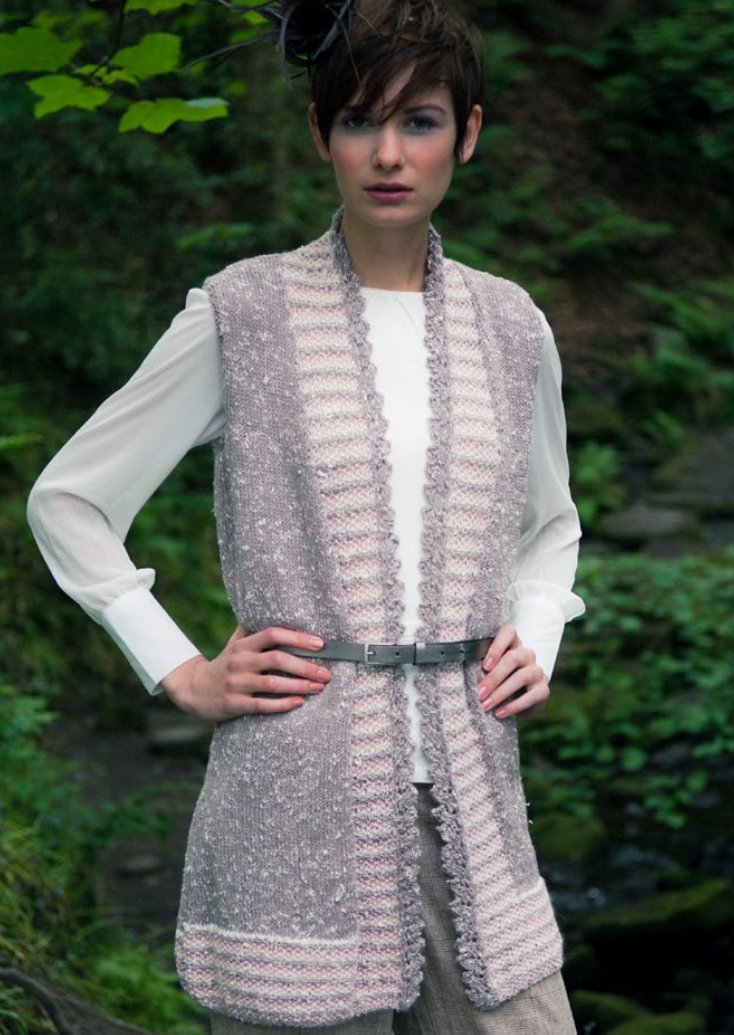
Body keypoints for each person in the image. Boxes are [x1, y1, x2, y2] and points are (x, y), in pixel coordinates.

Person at [28, 0, 585, 1032]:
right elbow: (71, 499)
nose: (388, 154)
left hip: (475, 803)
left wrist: (537, 629)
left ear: (466, 133)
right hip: (291, 808)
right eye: (358, 120)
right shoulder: (242, 314)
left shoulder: (513, 325)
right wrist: (180, 668)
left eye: (419, 121)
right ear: (320, 132)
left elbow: (550, 524)